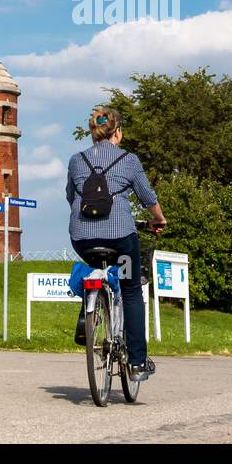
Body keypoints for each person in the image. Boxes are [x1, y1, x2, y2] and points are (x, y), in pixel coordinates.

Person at [67, 106, 165, 382]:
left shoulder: (77, 160)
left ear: (93, 133)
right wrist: (159, 219)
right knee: (132, 289)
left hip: (82, 238)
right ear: (118, 132)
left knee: (94, 269)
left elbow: (69, 197)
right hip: (121, 238)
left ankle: (89, 313)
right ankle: (136, 362)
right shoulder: (129, 160)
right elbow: (148, 197)